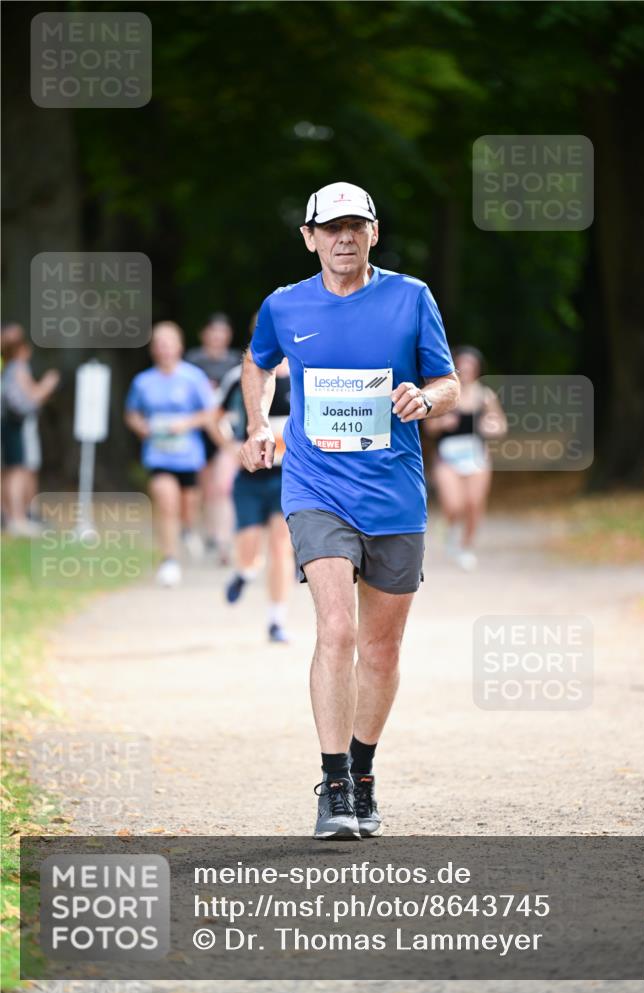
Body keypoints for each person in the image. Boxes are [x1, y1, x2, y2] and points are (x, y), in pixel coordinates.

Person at [239, 181, 459, 839]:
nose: (342, 237)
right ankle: (332, 784)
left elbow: (447, 382)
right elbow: (259, 365)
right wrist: (257, 422)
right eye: (329, 227)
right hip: (316, 489)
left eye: (354, 226)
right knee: (335, 628)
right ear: (308, 237)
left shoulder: (410, 297)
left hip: (393, 493)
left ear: (372, 232)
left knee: (381, 649)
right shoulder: (283, 305)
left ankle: (362, 772)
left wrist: (426, 399)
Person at [125, 321, 217, 587]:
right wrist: (140, 426)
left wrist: (186, 424)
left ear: (179, 347)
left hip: (188, 455)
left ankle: (188, 528)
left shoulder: (193, 377)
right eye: (159, 345)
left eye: (169, 344)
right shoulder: (143, 381)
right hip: (157, 454)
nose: (164, 350)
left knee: (187, 507)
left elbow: (210, 412)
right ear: (153, 349)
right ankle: (169, 560)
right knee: (166, 502)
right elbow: (131, 413)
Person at [222, 351, 294, 643]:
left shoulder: (306, 375)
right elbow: (216, 417)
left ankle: (276, 620)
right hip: (251, 476)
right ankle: (244, 572)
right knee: (249, 548)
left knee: (280, 547)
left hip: (287, 476)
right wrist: (230, 447)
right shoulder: (239, 377)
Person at [424, 345, 507, 571]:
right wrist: (442, 422)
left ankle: (466, 547)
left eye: (471, 366)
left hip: (476, 456)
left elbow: (500, 425)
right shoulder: (445, 393)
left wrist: (490, 428)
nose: (467, 369)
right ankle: (451, 529)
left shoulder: (485, 395)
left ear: (478, 369)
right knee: (454, 505)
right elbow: (429, 428)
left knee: (473, 503)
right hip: (447, 457)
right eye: (462, 365)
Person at [185, 314, 241, 563]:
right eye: (213, 331)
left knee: (222, 485)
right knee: (205, 484)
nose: (217, 336)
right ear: (204, 334)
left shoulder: (235, 362)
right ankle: (209, 530)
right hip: (198, 428)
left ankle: (221, 538)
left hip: (224, 428)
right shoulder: (192, 361)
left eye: (222, 331)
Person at [1, 323, 60, 536]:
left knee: (9, 471)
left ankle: (11, 517)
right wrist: (48, 383)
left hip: (7, 424)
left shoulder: (7, 368)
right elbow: (32, 396)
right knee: (17, 470)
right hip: (16, 425)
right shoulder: (18, 368)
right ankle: (17, 518)